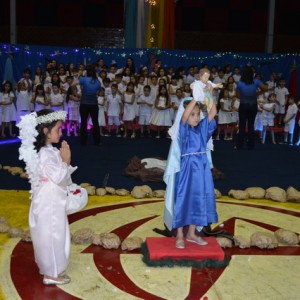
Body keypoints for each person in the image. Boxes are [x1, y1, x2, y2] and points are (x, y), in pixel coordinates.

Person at [17, 109, 87, 285]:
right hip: (49, 204)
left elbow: (62, 178)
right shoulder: (45, 155)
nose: (61, 132)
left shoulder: (49, 151)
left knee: (52, 235)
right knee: (52, 235)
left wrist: (64, 162)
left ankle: (51, 269)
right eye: (57, 129)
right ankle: (51, 274)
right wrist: (66, 160)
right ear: (46, 132)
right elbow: (59, 177)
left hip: (51, 201)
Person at [164, 98, 218, 249]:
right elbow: (184, 116)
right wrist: (195, 97)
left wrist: (209, 95)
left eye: (198, 114)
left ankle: (192, 233)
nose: (196, 117)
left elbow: (213, 112)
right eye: (192, 115)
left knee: (198, 199)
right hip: (187, 169)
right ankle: (180, 234)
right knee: (183, 199)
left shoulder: (203, 129)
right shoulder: (184, 129)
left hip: (201, 169)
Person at [235, 66, 268, 150]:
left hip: (243, 105)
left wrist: (244, 95)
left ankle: (239, 146)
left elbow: (238, 95)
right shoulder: (256, 81)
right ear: (251, 73)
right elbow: (266, 88)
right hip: (253, 105)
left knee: (242, 126)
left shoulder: (240, 83)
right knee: (251, 125)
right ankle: (251, 145)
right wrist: (256, 94)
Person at [79, 64, 101, 146]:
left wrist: (80, 74)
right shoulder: (97, 81)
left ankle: (83, 141)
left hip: (84, 103)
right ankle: (97, 141)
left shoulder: (84, 79)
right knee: (95, 122)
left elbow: (74, 83)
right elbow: (98, 92)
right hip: (94, 104)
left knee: (84, 122)